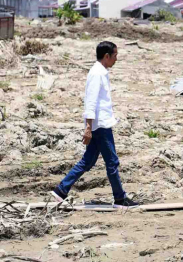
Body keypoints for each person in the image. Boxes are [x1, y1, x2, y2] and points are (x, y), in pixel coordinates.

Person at [51, 41, 138, 208]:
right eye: (115, 56)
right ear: (106, 56)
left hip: (100, 124)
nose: (116, 59)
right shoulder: (96, 74)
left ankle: (61, 190)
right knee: (111, 162)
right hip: (100, 125)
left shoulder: (100, 72)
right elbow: (90, 102)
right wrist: (88, 128)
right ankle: (120, 198)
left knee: (88, 161)